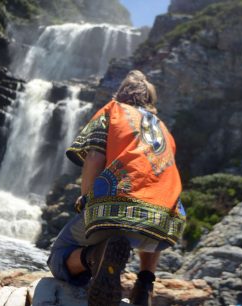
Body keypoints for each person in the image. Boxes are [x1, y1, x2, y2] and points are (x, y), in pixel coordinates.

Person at [47, 70, 186, 306]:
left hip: (115, 211)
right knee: (155, 202)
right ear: (150, 100)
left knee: (58, 257)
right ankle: (144, 285)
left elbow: (93, 157)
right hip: (167, 224)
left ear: (122, 92)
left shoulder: (113, 110)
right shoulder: (163, 129)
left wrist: (86, 200)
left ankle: (94, 257)